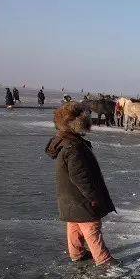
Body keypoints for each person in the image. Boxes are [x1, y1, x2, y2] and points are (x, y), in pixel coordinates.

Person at [44, 102, 118, 267]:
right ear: (75, 122)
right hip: (80, 197)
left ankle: (77, 253)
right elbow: (80, 176)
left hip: (70, 197)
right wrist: (93, 197)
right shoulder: (73, 147)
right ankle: (103, 259)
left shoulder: (66, 142)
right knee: (91, 225)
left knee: (75, 224)